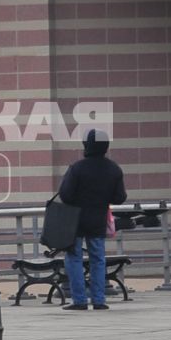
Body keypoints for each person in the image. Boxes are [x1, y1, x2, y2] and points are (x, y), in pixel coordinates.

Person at [57, 128, 126, 311]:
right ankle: (99, 300)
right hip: (98, 219)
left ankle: (79, 300)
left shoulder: (77, 168)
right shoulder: (113, 169)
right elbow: (120, 197)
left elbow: (65, 195)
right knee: (98, 259)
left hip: (76, 221)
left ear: (86, 144)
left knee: (74, 258)